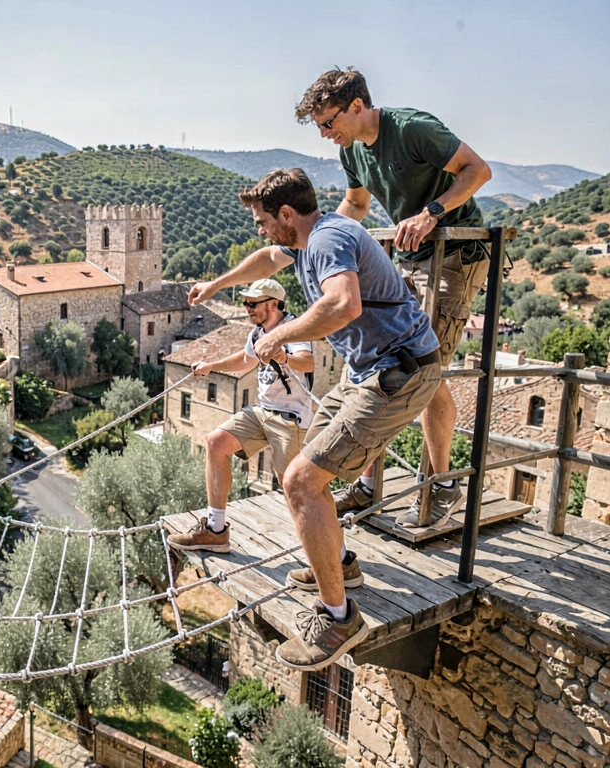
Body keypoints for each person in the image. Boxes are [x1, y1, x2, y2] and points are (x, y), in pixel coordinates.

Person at [187, 169, 441, 671]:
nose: (260, 229)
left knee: (301, 481)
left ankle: (338, 618)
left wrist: (281, 337)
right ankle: (342, 567)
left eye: (263, 220)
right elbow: (264, 259)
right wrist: (216, 283)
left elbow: (343, 304)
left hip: (396, 374)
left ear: (286, 215)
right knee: (303, 474)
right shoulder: (309, 238)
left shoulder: (325, 240)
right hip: (368, 370)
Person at [295, 68, 492, 528]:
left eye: (329, 122)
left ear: (357, 106)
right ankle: (365, 486)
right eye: (320, 127)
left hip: (456, 253)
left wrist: (431, 214)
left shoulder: (411, 128)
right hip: (410, 257)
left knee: (423, 366)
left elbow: (477, 170)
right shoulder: (353, 150)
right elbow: (357, 208)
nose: (325, 134)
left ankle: (443, 486)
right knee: (383, 361)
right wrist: (313, 239)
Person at [168, 279, 316, 555]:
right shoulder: (258, 333)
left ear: (273, 304)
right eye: (245, 302)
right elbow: (245, 360)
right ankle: (215, 531)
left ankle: (335, 555)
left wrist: (284, 357)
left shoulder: (293, 330)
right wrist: (211, 366)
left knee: (294, 487)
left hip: (290, 418)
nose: (246, 307)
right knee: (215, 443)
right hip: (263, 412)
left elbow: (307, 361)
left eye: (252, 303)